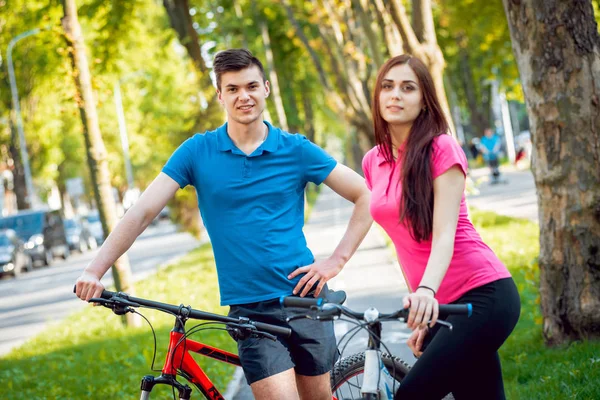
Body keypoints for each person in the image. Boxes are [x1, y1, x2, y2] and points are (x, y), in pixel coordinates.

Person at [75, 49, 372, 400]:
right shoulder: (197, 152)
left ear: (265, 88)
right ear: (220, 95)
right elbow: (141, 213)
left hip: (305, 300)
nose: (243, 96)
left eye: (250, 86)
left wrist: (336, 260)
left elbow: (366, 196)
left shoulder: (296, 150)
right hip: (250, 312)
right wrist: (95, 270)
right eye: (232, 89)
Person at [361, 54, 521, 399]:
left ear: (423, 101)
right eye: (387, 87)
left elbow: (444, 234)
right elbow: (405, 244)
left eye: (408, 88)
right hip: (440, 306)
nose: (395, 95)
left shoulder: (441, 148)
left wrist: (426, 293)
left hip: (483, 295)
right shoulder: (373, 161)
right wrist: (424, 313)